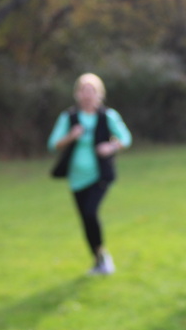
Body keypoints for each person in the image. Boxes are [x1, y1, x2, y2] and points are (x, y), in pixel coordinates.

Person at [47, 73, 132, 275]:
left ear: (99, 94)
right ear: (77, 94)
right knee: (85, 219)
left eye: (91, 91)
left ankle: (103, 258)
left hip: (100, 175)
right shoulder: (69, 117)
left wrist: (111, 147)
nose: (87, 95)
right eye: (83, 91)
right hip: (76, 178)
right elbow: (53, 144)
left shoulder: (107, 116)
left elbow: (126, 138)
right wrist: (71, 136)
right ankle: (98, 258)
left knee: (90, 213)